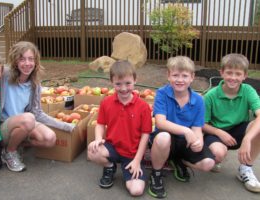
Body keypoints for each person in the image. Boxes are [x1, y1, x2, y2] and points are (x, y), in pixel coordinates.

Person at [0, 41, 75, 172]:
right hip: (3, 125)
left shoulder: (35, 84)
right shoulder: (4, 74)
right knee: (28, 119)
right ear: (15, 61)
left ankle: (15, 145)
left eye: (31, 59)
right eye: (22, 59)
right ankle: (10, 152)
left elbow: (38, 113)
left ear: (36, 61)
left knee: (49, 139)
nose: (27, 63)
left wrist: (65, 126)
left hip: (23, 123)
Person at [148, 56, 215, 198]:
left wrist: (199, 142)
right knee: (163, 137)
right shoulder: (162, 93)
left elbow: (197, 128)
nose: (180, 80)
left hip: (185, 142)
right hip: (166, 139)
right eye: (175, 75)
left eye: (184, 76)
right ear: (168, 76)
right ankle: (156, 174)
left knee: (208, 163)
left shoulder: (198, 100)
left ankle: (179, 161)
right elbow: (160, 122)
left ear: (192, 77)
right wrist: (185, 130)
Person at [87, 60, 152, 196]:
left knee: (136, 190)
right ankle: (110, 167)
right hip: (113, 147)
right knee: (92, 151)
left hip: (132, 153)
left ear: (135, 80)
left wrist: (137, 160)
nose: (123, 88)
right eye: (118, 84)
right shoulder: (106, 103)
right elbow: (100, 124)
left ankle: (133, 168)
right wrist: (98, 139)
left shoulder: (143, 107)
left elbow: (146, 135)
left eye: (128, 83)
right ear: (112, 82)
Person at [203, 53, 260, 193]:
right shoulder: (211, 95)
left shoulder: (248, 90)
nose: (233, 77)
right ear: (221, 72)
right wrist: (219, 132)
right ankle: (215, 158)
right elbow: (201, 124)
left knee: (258, 127)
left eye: (238, 74)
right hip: (215, 131)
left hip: (239, 130)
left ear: (244, 75)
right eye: (229, 72)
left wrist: (247, 138)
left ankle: (245, 168)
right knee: (217, 153)